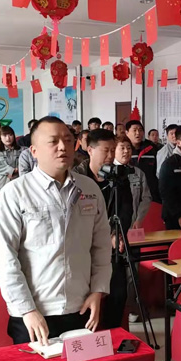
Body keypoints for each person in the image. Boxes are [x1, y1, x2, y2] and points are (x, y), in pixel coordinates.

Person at [0, 117, 112, 344]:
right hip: (35, 313)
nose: (63, 147)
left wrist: (98, 291)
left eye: (68, 140)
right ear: (34, 151)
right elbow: (4, 257)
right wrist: (27, 309)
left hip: (82, 306)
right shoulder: (15, 193)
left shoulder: (89, 188)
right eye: (53, 141)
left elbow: (102, 246)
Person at [75, 129, 134, 330]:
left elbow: (126, 208)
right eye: (106, 150)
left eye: (112, 150)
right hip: (83, 249)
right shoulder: (76, 178)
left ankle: (113, 335)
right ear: (90, 150)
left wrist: (117, 233)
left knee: (118, 294)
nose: (110, 156)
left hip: (111, 248)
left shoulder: (118, 176)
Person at [115, 134, 151, 229]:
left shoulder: (138, 172)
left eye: (129, 148)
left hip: (133, 224)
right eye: (122, 148)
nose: (126, 151)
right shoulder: (107, 172)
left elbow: (146, 198)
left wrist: (139, 219)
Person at [125, 119, 161, 203]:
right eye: (134, 130)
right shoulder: (123, 149)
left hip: (150, 191)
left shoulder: (152, 148)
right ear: (127, 132)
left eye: (140, 130)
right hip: (130, 191)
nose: (138, 133)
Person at [0, 125, 21, 192]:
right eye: (4, 135)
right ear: (0, 137)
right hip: (0, 186)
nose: (8, 138)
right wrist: (11, 170)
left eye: (10, 135)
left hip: (17, 185)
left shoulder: (22, 150)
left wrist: (18, 170)